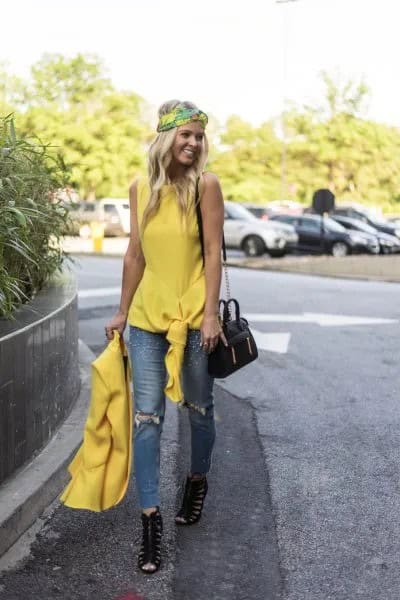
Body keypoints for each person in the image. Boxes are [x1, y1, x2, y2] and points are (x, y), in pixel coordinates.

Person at [105, 100, 226, 574]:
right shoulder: (141, 188)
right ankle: (150, 520)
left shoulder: (207, 187)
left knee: (198, 408)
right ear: (165, 138)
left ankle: (197, 480)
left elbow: (214, 253)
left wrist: (212, 314)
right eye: (185, 135)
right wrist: (120, 311)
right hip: (147, 319)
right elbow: (134, 254)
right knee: (147, 418)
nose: (193, 143)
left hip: (196, 316)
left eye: (199, 136)